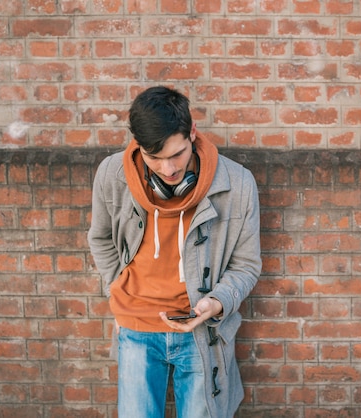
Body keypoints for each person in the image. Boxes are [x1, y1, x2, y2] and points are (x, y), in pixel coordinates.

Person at [87, 85, 262, 418]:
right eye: (155, 158)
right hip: (135, 327)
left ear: (192, 132)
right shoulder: (112, 175)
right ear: (138, 146)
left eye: (177, 155)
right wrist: (117, 286)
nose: (168, 170)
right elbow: (100, 238)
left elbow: (247, 265)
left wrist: (218, 301)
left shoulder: (237, 183)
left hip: (201, 332)